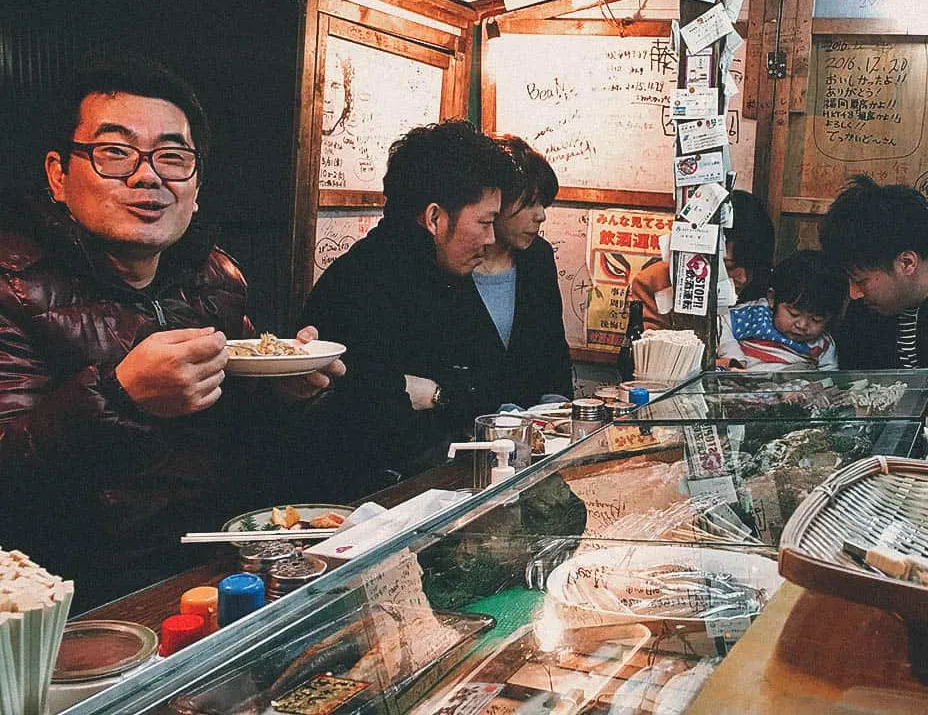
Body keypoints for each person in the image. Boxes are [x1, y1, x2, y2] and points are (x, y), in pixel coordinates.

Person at [0, 60, 344, 610]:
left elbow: (243, 441)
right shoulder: (13, 287)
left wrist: (284, 392)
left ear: (196, 186)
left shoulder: (216, 276)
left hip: (223, 572)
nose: (148, 176)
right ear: (58, 175)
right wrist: (118, 397)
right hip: (81, 605)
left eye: (173, 157)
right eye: (115, 153)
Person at [302, 120, 517, 495]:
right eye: (484, 222)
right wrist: (446, 394)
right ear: (435, 218)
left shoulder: (446, 272)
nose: (490, 238)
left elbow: (494, 384)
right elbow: (368, 418)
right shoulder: (362, 282)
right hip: (363, 510)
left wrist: (433, 393)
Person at [819, 175, 928, 397]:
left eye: (861, 281)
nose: (853, 293)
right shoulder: (863, 309)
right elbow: (854, 381)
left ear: (907, 263)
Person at [458, 136, 571, 409]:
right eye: (530, 203)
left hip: (537, 432)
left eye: (543, 203)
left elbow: (554, 349)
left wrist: (558, 410)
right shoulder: (454, 263)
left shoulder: (538, 256)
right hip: (470, 434)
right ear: (496, 202)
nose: (541, 215)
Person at [628, 190, 775, 361]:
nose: (743, 278)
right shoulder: (655, 283)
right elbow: (651, 357)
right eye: (729, 266)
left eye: (752, 267)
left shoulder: (765, 286)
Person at [729, 250, 843, 370]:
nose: (802, 325)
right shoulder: (755, 316)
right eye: (794, 313)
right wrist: (734, 357)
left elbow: (829, 377)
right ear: (772, 298)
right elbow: (720, 325)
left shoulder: (823, 344)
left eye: (816, 319)